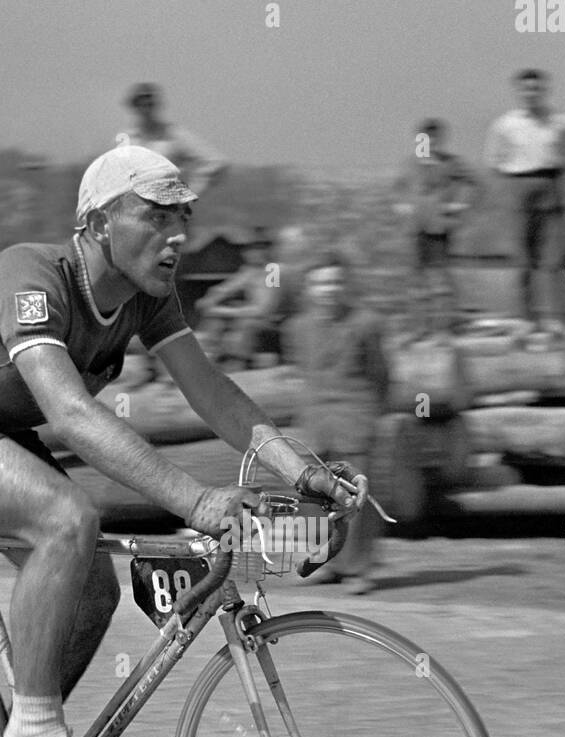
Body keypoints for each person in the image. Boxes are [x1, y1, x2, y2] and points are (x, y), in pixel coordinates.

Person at [0, 146, 363, 737]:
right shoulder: (30, 277)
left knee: (93, 586)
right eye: (156, 218)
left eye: (182, 218)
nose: (176, 236)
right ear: (98, 224)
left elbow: (208, 388)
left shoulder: (147, 296)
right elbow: (69, 414)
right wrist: (199, 499)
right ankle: (34, 734)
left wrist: (298, 464)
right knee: (69, 518)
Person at [282, 253, 388, 594]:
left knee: (356, 500)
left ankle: (359, 569)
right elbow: (303, 373)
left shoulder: (366, 323)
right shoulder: (296, 327)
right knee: (314, 500)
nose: (329, 289)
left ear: (345, 285)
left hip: (355, 421)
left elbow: (381, 375)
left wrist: (371, 416)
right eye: (321, 282)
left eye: (335, 281)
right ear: (310, 287)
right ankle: (323, 563)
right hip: (316, 424)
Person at [483, 69, 565, 344]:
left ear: (545, 91)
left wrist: (550, 177)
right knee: (522, 260)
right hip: (517, 189)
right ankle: (526, 318)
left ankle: (554, 318)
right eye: (526, 89)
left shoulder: (560, 122)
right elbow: (492, 159)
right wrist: (516, 178)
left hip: (550, 185)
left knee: (551, 259)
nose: (531, 94)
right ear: (518, 92)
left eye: (537, 89)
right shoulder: (505, 125)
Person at [392, 119, 478, 334]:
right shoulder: (410, 164)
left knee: (440, 280)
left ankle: (442, 328)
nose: (429, 142)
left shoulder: (450, 163)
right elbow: (398, 187)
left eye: (433, 137)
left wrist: (460, 205)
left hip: (438, 227)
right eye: (424, 137)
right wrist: (400, 205)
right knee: (416, 282)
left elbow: (473, 183)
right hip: (414, 228)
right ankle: (419, 327)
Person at [117, 83, 228, 197]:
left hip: (167, 206)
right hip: (134, 207)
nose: (145, 108)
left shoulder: (174, 135)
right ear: (133, 107)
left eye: (149, 104)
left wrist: (189, 193)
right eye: (140, 104)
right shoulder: (126, 138)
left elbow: (215, 162)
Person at [194, 229, 284, 368]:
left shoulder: (273, 271)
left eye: (259, 248)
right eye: (249, 249)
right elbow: (226, 288)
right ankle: (202, 358)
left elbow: (265, 309)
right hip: (252, 315)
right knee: (214, 321)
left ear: (267, 250)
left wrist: (224, 311)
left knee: (243, 326)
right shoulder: (249, 270)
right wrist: (209, 299)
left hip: (272, 320)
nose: (252, 253)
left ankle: (235, 364)